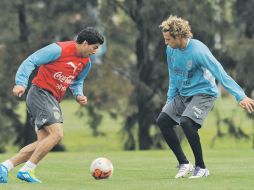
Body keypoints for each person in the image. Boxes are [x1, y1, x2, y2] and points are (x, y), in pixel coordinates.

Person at [0, 27, 104, 183]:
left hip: (52, 99)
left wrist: (79, 94)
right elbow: (31, 61)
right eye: (94, 47)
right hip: (40, 93)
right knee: (57, 134)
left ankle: (4, 167)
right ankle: (27, 170)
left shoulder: (86, 62)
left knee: (44, 142)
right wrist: (21, 83)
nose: (95, 51)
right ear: (84, 43)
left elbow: (77, 81)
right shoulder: (58, 49)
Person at [156, 15, 254, 179]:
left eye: (168, 39)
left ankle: (201, 168)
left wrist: (240, 95)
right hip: (183, 93)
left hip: (204, 92)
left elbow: (220, 73)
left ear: (178, 36)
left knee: (187, 122)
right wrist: (169, 101)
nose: (166, 42)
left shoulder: (199, 51)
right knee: (163, 120)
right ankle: (184, 164)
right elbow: (173, 76)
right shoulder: (170, 50)